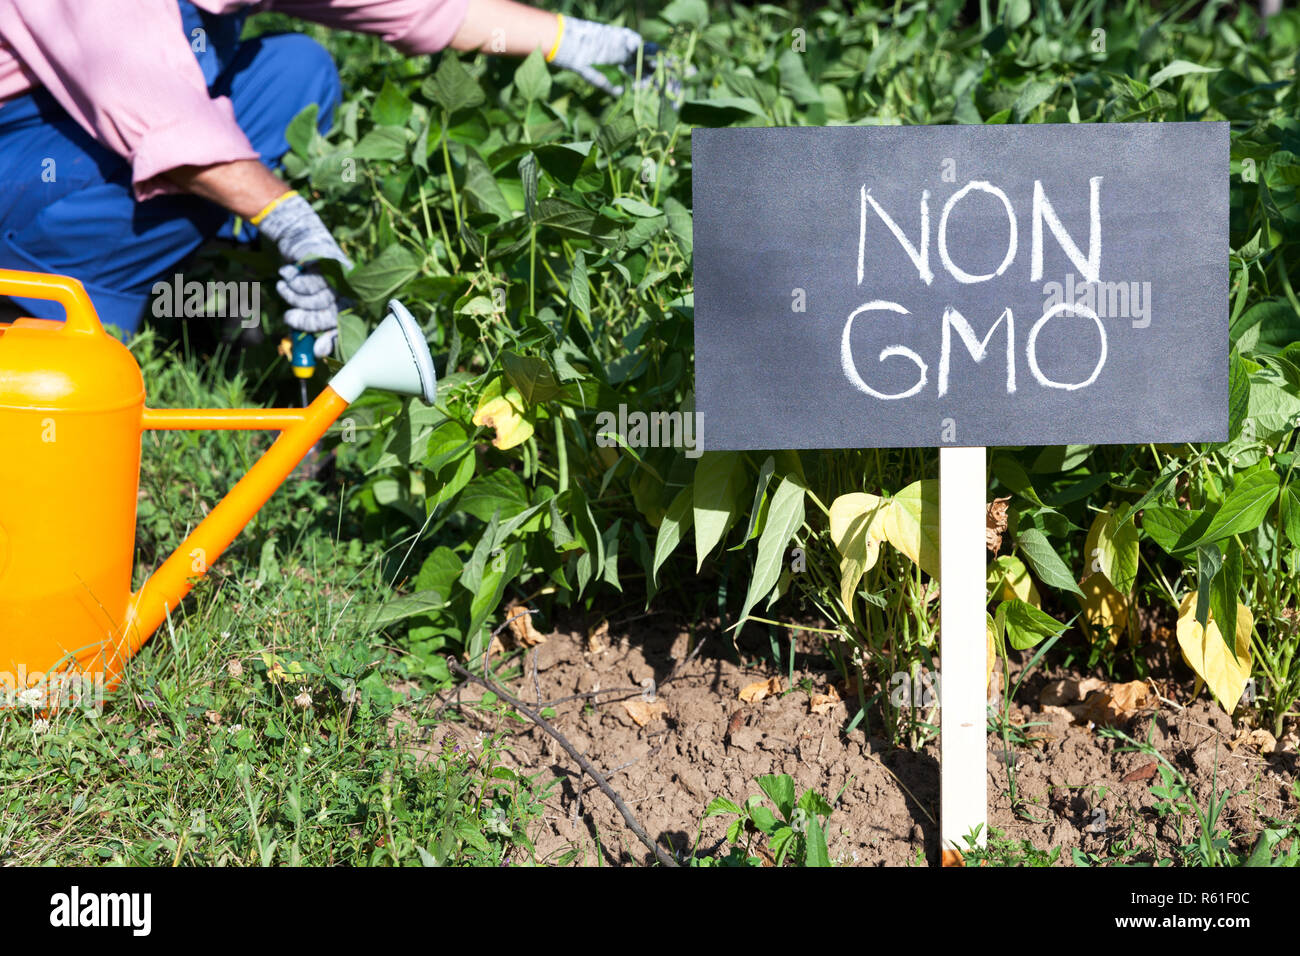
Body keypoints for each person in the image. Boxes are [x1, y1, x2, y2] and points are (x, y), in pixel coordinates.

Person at [0, 0, 649, 354]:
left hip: (99, 133)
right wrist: (291, 221)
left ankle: (197, 298)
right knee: (212, 153)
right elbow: (159, 115)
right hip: (22, 161)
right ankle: (48, 317)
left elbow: (421, 8)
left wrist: (574, 39)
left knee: (296, 75)